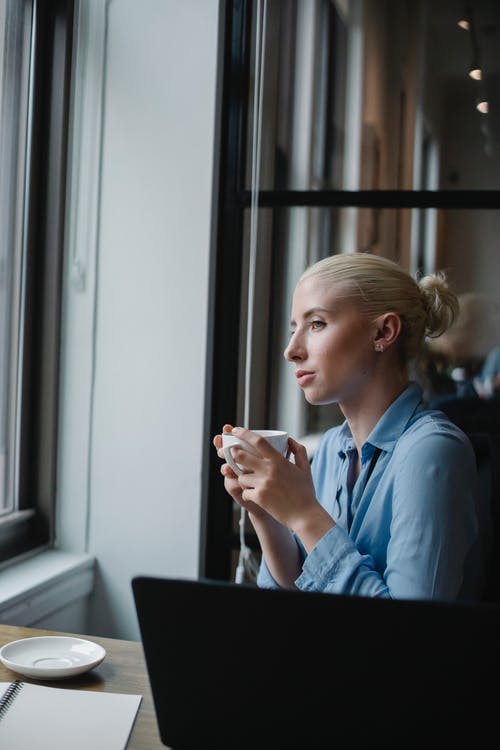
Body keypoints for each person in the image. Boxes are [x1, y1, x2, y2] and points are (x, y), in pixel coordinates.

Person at [213, 253, 485, 601]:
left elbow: (410, 635)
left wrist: (303, 513)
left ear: (384, 331)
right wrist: (267, 514)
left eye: (317, 324)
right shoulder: (331, 448)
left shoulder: (432, 451)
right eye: (294, 328)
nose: (291, 350)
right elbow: (296, 595)